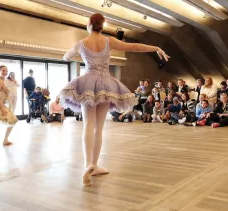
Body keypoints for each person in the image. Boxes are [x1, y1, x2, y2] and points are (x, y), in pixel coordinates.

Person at [59, 13, 169, 186]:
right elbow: (133, 46)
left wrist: (69, 55)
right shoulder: (109, 41)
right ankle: (94, 165)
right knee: (99, 128)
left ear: (89, 24)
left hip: (88, 82)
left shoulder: (81, 43)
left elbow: (65, 57)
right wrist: (155, 47)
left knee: (88, 125)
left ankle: (88, 164)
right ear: (102, 26)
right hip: (106, 84)